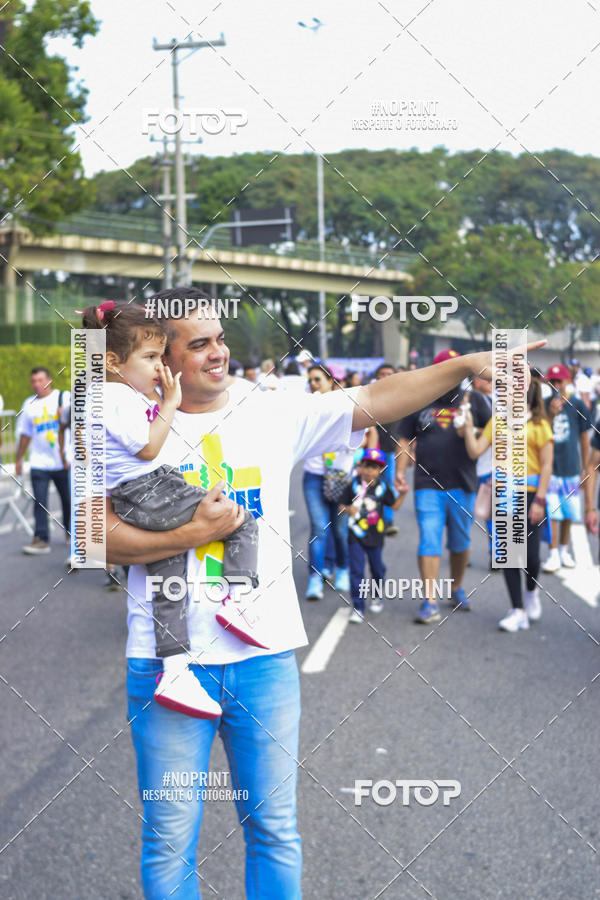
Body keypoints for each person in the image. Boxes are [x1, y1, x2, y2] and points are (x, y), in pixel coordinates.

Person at [103, 288, 541, 899]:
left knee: (275, 830)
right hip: (165, 661)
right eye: (198, 344)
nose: (217, 353)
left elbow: (374, 398)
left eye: (220, 340)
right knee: (171, 839)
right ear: (162, 359)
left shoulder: (271, 409)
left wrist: (467, 365)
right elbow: (96, 539)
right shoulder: (124, 424)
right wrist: (193, 533)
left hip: (265, 660)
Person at [81, 300, 262, 720]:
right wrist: (170, 401)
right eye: (149, 357)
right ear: (111, 360)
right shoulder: (118, 396)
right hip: (147, 488)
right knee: (239, 520)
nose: (158, 366)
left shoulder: (100, 394)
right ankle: (238, 598)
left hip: (129, 495)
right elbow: (148, 447)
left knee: (167, 575)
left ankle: (175, 668)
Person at [395, 349, 492, 623]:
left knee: (460, 543)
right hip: (427, 484)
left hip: (464, 485)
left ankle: (456, 587)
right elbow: (403, 439)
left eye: (457, 370)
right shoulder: (419, 401)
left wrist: (472, 432)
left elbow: (496, 431)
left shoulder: (476, 401)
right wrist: (399, 473)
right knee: (429, 538)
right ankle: (429, 600)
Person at [463, 380, 553, 631]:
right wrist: (469, 428)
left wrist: (540, 499)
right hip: (504, 492)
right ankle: (517, 610)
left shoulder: (539, 425)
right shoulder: (498, 421)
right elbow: (475, 451)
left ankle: (531, 592)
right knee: (510, 556)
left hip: (531, 494)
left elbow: (546, 465)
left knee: (532, 557)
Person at [302, 364, 352, 599]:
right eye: (310, 379)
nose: (313, 384)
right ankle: (315, 578)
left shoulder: (344, 407)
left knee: (340, 530)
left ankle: (342, 568)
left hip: (342, 477)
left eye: (318, 379)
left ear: (331, 381)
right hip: (313, 476)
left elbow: (368, 434)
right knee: (319, 528)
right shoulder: (305, 408)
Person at [339, 448, 406, 623]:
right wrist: (348, 509)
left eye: (375, 467)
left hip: (376, 537)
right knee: (356, 570)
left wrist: (404, 493)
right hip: (356, 535)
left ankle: (376, 595)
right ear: (361, 466)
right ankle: (358, 606)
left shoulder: (383, 489)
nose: (370, 471)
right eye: (367, 466)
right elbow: (341, 505)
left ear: (381, 470)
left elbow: (395, 506)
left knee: (377, 569)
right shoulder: (352, 485)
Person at [541, 363, 591, 573]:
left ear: (568, 381)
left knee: (569, 512)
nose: (556, 385)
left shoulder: (578, 405)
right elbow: (540, 432)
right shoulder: (543, 404)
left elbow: (584, 438)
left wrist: (585, 467)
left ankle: (563, 550)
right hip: (550, 467)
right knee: (553, 512)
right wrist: (551, 414)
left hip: (571, 466)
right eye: (552, 381)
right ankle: (553, 553)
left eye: (559, 381)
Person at [15, 368, 70, 555]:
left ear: (49, 380)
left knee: (68, 500)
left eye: (40, 380)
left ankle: (72, 535)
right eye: (33, 381)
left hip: (63, 461)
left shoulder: (64, 397)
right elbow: (25, 433)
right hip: (39, 462)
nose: (37, 384)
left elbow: (80, 423)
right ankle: (41, 538)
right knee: (39, 501)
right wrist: (18, 458)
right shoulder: (28, 404)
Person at [372, 363, 404, 536]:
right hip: (370, 451)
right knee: (368, 484)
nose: (385, 377)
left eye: (389, 374)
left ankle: (388, 520)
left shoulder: (402, 396)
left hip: (391, 450)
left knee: (388, 484)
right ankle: (370, 517)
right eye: (381, 374)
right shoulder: (368, 394)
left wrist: (410, 449)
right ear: (376, 376)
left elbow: (408, 426)